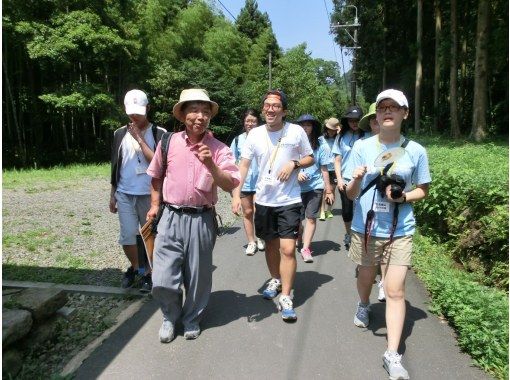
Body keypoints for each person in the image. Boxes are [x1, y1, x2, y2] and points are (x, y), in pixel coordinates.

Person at [346, 89, 431, 380]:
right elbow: (350, 193)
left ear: (405, 113)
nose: (387, 111)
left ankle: (392, 355)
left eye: (394, 107)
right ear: (376, 115)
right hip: (366, 228)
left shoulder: (416, 150)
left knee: (395, 291)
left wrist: (402, 198)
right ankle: (363, 303)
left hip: (400, 230)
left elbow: (423, 189)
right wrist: (356, 178)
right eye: (382, 108)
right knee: (366, 277)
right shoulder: (362, 147)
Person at [146, 89, 240, 343]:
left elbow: (230, 183)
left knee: (198, 276)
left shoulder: (219, 148)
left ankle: (191, 319)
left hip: (201, 218)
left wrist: (211, 165)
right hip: (170, 215)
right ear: (183, 114)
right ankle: (169, 316)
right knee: (163, 276)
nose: (200, 116)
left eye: (205, 112)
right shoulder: (168, 142)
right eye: (194, 110)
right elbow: (156, 175)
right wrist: (155, 205)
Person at [232, 89, 314, 321]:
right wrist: (237, 194)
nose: (270, 109)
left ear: (284, 111)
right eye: (267, 105)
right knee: (270, 246)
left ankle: (286, 296)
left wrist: (294, 163)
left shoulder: (296, 131)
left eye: (276, 106)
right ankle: (276, 278)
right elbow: (244, 165)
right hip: (264, 200)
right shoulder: (254, 135)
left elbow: (310, 157)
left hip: (289, 200)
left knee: (287, 249)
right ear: (263, 109)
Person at [110, 89, 166, 292]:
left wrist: (140, 140)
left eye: (139, 112)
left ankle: (151, 272)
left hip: (150, 194)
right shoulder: (119, 134)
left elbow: (160, 164)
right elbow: (116, 165)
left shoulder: (160, 133)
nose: (134, 116)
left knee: (150, 236)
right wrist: (112, 194)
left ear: (148, 109)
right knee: (127, 235)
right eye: (131, 112)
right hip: (124, 193)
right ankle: (138, 269)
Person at [295, 114, 334, 263]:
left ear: (313, 127)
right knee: (296, 221)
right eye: (303, 125)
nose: (305, 128)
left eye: (308, 125)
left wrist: (328, 189)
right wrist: (297, 174)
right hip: (296, 188)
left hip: (315, 187)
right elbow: (287, 164)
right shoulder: (293, 144)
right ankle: (300, 234)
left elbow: (324, 169)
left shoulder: (321, 146)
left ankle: (306, 248)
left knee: (311, 217)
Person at [359, 102, 386, 302]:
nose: (377, 123)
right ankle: (364, 302)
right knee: (367, 267)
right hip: (366, 212)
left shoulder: (405, 148)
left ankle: (385, 282)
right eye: (373, 120)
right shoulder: (362, 146)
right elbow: (352, 189)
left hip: (393, 216)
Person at [230, 109, 265, 256]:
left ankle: (261, 237)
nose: (250, 123)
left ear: (258, 122)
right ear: (244, 123)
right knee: (248, 212)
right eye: (248, 121)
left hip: (261, 182)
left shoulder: (264, 138)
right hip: (243, 183)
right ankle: (251, 242)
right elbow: (232, 163)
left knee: (259, 212)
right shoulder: (238, 140)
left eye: (253, 121)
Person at [332, 105, 365, 250]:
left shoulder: (368, 136)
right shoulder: (341, 137)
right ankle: (349, 234)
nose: (354, 122)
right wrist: (339, 179)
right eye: (351, 120)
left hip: (364, 180)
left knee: (362, 209)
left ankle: (362, 236)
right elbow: (337, 161)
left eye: (357, 120)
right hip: (345, 180)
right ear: (346, 121)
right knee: (347, 210)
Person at [319, 117, 340, 220]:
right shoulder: (320, 139)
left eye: (334, 130)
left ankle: (329, 210)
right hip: (324, 168)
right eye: (330, 129)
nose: (331, 132)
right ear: (326, 129)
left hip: (335, 169)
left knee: (332, 190)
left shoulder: (338, 139)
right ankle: (322, 211)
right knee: (324, 190)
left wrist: (339, 133)